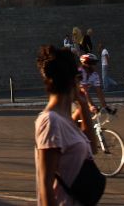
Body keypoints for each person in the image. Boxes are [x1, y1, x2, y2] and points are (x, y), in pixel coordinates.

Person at [35, 45, 98, 206]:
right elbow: (45, 183)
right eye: (78, 78)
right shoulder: (50, 121)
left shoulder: (65, 119)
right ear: (73, 80)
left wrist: (83, 106)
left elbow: (93, 149)